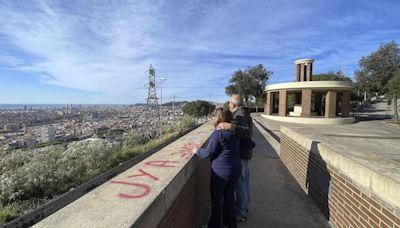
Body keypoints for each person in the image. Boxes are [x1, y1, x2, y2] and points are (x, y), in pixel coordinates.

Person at [193, 108, 252, 228]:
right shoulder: (235, 130)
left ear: (217, 117)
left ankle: (215, 225)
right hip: (235, 170)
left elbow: (209, 153)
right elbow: (251, 144)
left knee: (217, 200)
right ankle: (230, 224)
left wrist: (197, 151)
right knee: (229, 198)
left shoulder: (218, 133)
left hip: (220, 173)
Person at [217, 94, 253, 222]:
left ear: (233, 104)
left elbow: (247, 131)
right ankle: (245, 207)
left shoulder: (240, 114)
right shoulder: (243, 112)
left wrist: (229, 126)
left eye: (229, 102)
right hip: (246, 153)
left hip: (242, 154)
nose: (228, 104)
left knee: (240, 183)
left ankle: (241, 212)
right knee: (245, 182)